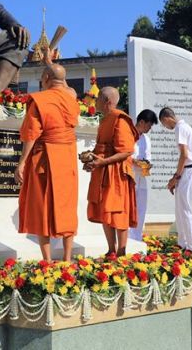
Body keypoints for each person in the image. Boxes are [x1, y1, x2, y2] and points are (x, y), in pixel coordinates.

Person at [15, 62, 80, 262]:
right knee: (68, 206)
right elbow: (62, 83)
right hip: (68, 157)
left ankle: (48, 260)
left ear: (44, 78)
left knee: (42, 205)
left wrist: (22, 162)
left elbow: (31, 133)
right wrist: (50, 64)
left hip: (46, 158)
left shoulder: (40, 100)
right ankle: (68, 258)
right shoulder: (72, 98)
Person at [83, 87, 139, 257]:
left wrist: (104, 161)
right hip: (103, 171)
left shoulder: (120, 119)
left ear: (106, 101)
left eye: (98, 97)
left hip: (117, 173)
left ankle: (121, 251)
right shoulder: (104, 120)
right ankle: (111, 250)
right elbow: (102, 148)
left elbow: (127, 150)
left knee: (117, 211)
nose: (95, 100)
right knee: (104, 210)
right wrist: (91, 161)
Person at [160, 107, 192, 252]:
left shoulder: (180, 128)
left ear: (166, 119)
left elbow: (184, 155)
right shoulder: (183, 128)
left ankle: (191, 247)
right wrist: (176, 177)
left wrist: (176, 177)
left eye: (164, 124)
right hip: (187, 170)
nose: (166, 127)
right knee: (180, 208)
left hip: (190, 170)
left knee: (185, 209)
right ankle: (182, 243)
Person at [129, 109, 158, 241]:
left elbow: (148, 158)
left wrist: (146, 165)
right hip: (130, 175)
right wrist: (135, 161)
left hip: (142, 177)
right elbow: (126, 155)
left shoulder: (146, 139)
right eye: (149, 125)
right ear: (141, 122)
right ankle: (127, 237)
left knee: (141, 208)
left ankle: (137, 237)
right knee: (130, 207)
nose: (150, 128)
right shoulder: (128, 134)